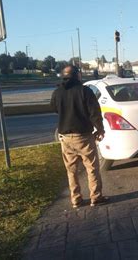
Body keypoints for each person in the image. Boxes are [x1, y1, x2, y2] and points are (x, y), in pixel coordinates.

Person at [50, 65, 109, 208]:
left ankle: (76, 200)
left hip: (65, 138)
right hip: (83, 137)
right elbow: (95, 113)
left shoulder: (57, 92)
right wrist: (100, 130)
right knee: (92, 168)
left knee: (71, 170)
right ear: (77, 76)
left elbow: (53, 108)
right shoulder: (85, 91)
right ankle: (96, 197)